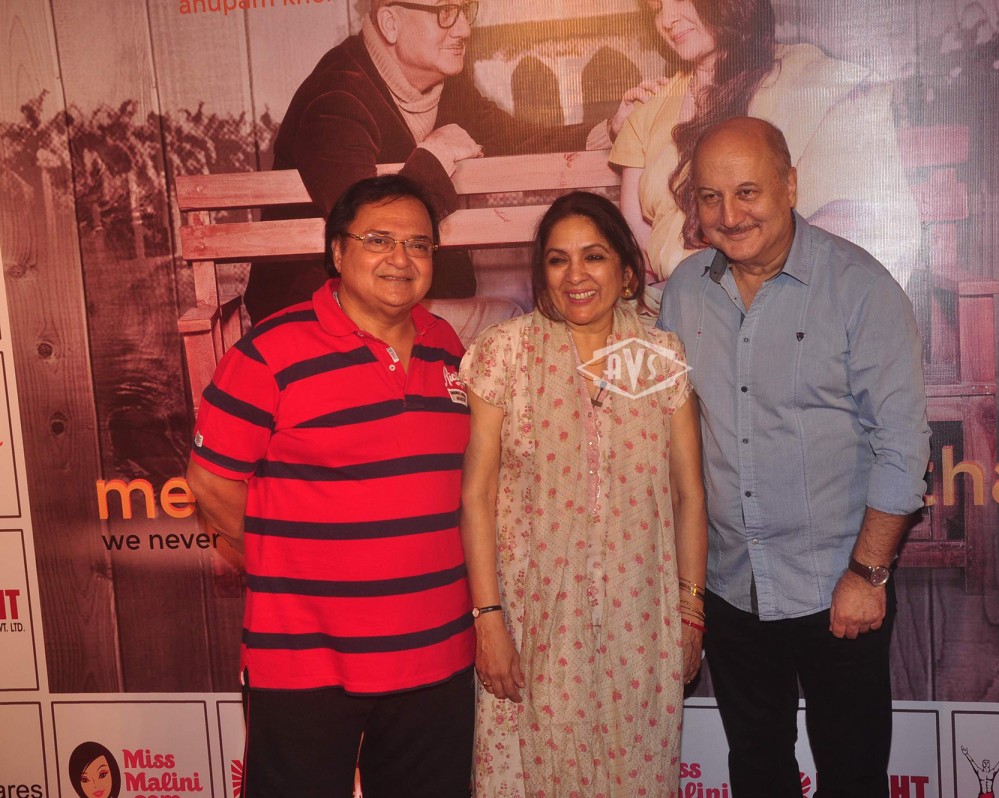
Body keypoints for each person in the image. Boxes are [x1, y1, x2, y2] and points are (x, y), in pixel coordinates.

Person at [657, 117, 930, 797]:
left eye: (747, 192)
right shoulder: (684, 292)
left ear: (790, 185)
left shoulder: (860, 288)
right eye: (711, 197)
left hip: (837, 585)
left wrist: (867, 574)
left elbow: (902, 447)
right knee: (755, 768)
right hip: (730, 586)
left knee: (852, 776)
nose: (730, 215)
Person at [187, 175, 475, 798]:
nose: (401, 258)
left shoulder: (448, 346)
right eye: (379, 240)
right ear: (338, 252)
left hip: (438, 656)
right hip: (306, 662)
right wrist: (291, 568)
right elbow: (210, 483)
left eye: (419, 244)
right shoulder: (269, 351)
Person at [458, 191, 707, 795]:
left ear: (627, 272)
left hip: (638, 627)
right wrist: (489, 622)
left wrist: (690, 612)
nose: (576, 275)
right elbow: (477, 496)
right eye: (557, 259)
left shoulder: (657, 357)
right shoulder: (505, 353)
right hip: (529, 624)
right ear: (541, 273)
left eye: (593, 256)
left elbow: (688, 495)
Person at [245, 0, 625, 322]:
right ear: (390, 23)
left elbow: (517, 138)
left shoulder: (446, 84)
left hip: (398, 299)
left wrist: (610, 130)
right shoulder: (336, 98)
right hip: (322, 317)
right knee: (509, 324)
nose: (463, 29)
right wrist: (435, 155)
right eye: (445, 12)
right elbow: (372, 228)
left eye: (465, 10)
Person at [610, 0, 919, 293]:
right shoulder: (648, 110)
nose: (667, 20)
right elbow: (638, 246)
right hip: (679, 304)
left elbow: (855, 231)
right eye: (656, 8)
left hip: (792, 300)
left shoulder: (814, 81)